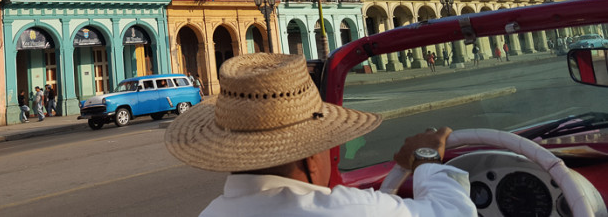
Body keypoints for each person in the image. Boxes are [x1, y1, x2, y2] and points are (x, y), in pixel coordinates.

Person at [165, 54, 476, 216]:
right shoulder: (349, 210)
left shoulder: (211, 213)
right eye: (329, 146)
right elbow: (455, 211)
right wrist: (427, 159)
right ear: (312, 160)